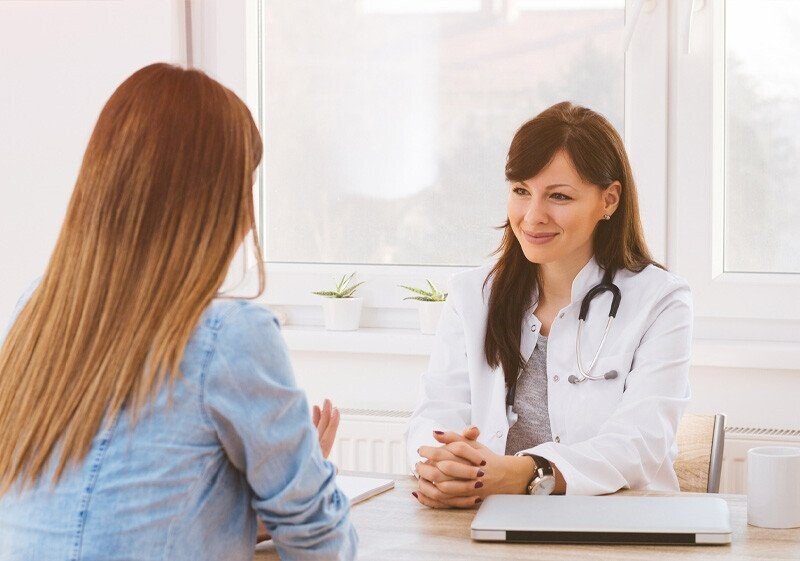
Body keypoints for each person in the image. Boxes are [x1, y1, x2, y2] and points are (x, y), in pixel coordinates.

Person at [0, 63, 356, 560]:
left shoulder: (36, 313)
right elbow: (319, 542)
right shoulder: (227, 335)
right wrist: (299, 484)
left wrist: (236, 511)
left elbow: (118, 510)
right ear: (215, 203)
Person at [406, 101, 692, 507]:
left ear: (609, 200)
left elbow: (640, 444)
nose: (532, 216)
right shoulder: (474, 295)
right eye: (521, 191)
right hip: (485, 522)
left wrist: (527, 473)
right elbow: (435, 412)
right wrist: (441, 464)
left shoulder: (661, 301)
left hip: (618, 525)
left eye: (558, 196)